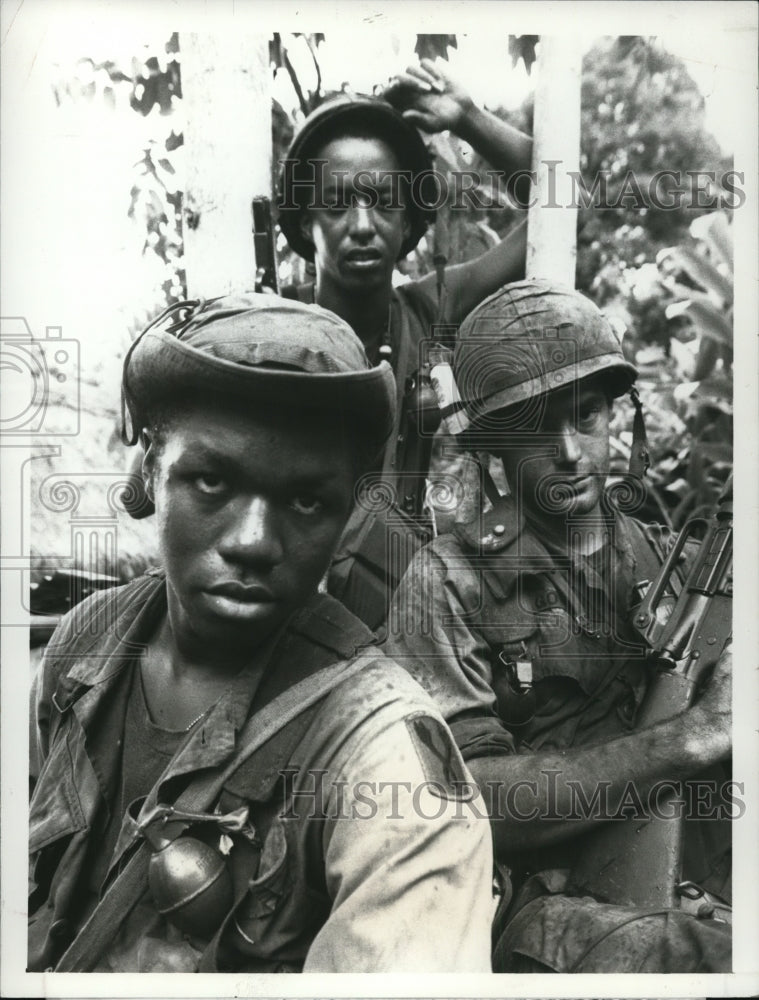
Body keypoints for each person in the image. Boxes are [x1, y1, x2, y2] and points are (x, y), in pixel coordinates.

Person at [28, 294, 494, 974]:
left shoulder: (381, 752)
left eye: (306, 501)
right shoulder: (85, 646)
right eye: (212, 481)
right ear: (149, 470)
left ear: (349, 518)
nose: (252, 542)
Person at [384, 279, 733, 973]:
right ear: (494, 448)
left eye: (588, 416)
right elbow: (463, 800)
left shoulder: (666, 558)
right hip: (520, 905)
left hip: (688, 873)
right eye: (537, 430)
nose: (570, 453)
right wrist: (691, 739)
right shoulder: (447, 582)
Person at [278, 58, 532, 628]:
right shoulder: (272, 328)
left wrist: (467, 119)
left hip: (412, 610)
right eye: (338, 203)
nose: (363, 224)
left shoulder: (431, 307)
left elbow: (566, 207)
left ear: (409, 220)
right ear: (304, 222)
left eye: (384, 202)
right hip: (291, 613)